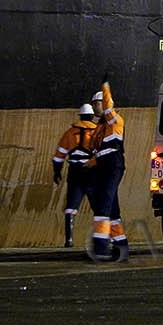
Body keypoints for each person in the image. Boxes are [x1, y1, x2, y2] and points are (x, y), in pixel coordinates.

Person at [86, 81, 128, 260]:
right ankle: (121, 247)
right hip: (103, 166)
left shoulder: (114, 120)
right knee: (112, 210)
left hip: (112, 165)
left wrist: (105, 87)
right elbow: (97, 149)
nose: (94, 107)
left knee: (103, 206)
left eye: (96, 104)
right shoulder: (100, 127)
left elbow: (109, 108)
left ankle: (101, 248)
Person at [50, 102, 97, 248]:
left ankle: (69, 240)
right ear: (91, 116)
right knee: (99, 207)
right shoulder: (97, 132)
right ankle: (103, 239)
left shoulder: (69, 133)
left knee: (71, 206)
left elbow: (59, 156)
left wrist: (57, 172)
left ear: (80, 116)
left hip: (75, 172)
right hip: (92, 173)